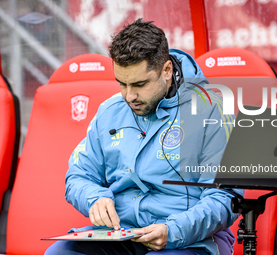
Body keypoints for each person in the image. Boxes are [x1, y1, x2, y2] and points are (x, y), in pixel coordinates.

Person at [45, 18, 243, 255]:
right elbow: (78, 176)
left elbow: (225, 198)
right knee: (61, 253)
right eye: (122, 84)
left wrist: (173, 231)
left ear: (167, 70)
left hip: (191, 240)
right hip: (122, 234)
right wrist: (94, 198)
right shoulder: (110, 111)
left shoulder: (211, 111)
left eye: (140, 84)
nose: (129, 96)